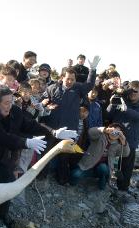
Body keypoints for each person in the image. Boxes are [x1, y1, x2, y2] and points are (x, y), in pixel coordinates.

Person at [0, 85, 77, 226]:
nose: (10, 106)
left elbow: (30, 124)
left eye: (12, 102)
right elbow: (1, 136)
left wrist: (53, 132)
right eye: (6, 103)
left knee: (10, 182)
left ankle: (3, 214)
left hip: (4, 156)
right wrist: (25, 142)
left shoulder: (15, 111)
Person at [41, 56, 101, 184]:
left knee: (64, 156)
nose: (70, 81)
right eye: (68, 78)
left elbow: (90, 85)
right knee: (46, 153)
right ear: (62, 77)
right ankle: (41, 176)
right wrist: (45, 104)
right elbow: (43, 100)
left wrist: (93, 69)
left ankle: (62, 180)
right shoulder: (52, 88)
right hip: (53, 128)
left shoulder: (78, 89)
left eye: (72, 79)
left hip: (69, 130)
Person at [107, 80, 139, 191]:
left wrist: (126, 109)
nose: (132, 93)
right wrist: (112, 104)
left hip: (130, 140)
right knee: (107, 161)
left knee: (126, 167)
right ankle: (105, 184)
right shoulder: (122, 100)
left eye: (135, 91)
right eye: (130, 91)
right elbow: (108, 114)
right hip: (113, 137)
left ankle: (123, 190)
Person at [69, 123, 130, 190]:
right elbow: (90, 132)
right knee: (75, 175)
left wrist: (124, 142)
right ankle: (71, 184)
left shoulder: (118, 145)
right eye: (113, 131)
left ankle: (102, 184)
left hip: (102, 168)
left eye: (117, 133)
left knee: (103, 168)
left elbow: (126, 153)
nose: (114, 134)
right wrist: (104, 129)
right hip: (87, 165)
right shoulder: (100, 136)